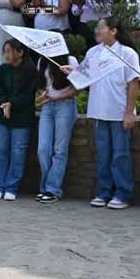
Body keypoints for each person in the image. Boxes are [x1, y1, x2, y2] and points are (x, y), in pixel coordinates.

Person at [65, 16, 140, 210]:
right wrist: (70, 71)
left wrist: (129, 112)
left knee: (120, 155)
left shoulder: (127, 53)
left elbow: (134, 84)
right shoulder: (92, 52)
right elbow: (82, 78)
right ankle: (104, 192)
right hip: (98, 111)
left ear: (113, 31)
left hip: (118, 112)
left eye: (101, 27)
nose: (97, 31)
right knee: (103, 154)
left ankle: (123, 193)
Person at [0, 39, 35, 201]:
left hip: (22, 118)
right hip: (4, 116)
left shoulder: (30, 70)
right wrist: (4, 104)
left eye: (9, 51)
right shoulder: (3, 69)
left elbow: (28, 96)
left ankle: (11, 186)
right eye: (5, 51)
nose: (6, 55)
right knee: (2, 151)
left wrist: (12, 104)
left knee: (18, 152)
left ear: (20, 52)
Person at [35, 50, 79, 203]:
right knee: (43, 148)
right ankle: (46, 186)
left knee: (59, 149)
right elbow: (40, 85)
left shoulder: (70, 60)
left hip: (65, 105)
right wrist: (44, 93)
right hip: (48, 106)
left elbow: (77, 88)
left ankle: (52, 189)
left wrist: (57, 96)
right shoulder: (42, 61)